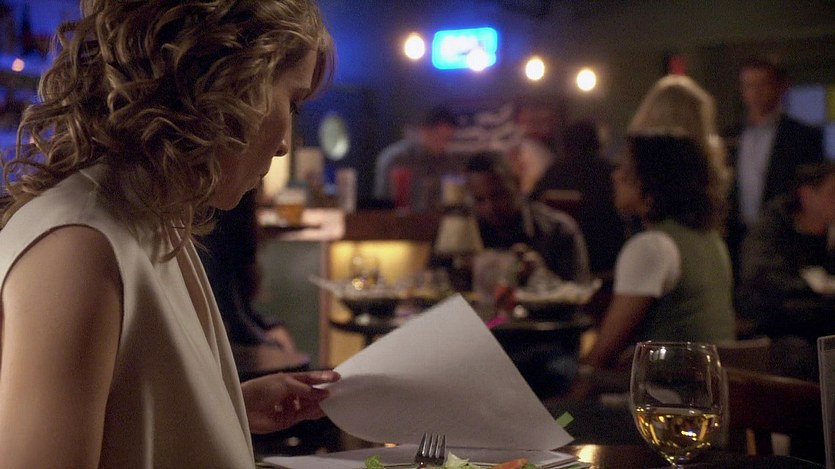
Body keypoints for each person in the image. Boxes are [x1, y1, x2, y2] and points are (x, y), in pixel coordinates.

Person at [0, 1, 340, 467]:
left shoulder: (149, 217)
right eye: (293, 100)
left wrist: (229, 408)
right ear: (226, 83)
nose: (284, 144)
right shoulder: (79, 246)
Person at [579, 135, 736, 375]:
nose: (615, 176)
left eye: (625, 170)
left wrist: (573, 390)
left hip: (666, 390)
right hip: (716, 386)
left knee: (556, 387)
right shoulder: (711, 239)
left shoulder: (652, 247)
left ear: (652, 182)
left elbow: (601, 356)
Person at [725, 57, 825, 274]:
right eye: (749, 86)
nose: (756, 93)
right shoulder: (731, 136)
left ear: (781, 87)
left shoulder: (802, 136)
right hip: (738, 236)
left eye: (763, 85)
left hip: (785, 237)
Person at [736, 161, 835, 379]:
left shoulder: (828, 234)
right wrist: (815, 289)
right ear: (806, 195)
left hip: (817, 324)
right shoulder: (772, 229)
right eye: (832, 194)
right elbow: (762, 286)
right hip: (774, 332)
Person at [465, 151, 590, 283]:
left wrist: (541, 275)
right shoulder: (468, 234)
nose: (490, 207)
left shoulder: (558, 230)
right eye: (479, 200)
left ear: (517, 184)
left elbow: (579, 289)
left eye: (498, 196)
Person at [199, 189, 297, 352]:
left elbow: (240, 308)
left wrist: (272, 325)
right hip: (224, 349)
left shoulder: (234, 218)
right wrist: (273, 346)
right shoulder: (215, 223)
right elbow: (231, 318)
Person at [531, 120, 626, 273]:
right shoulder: (611, 173)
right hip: (609, 259)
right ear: (597, 143)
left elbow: (533, 206)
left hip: (564, 261)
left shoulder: (554, 173)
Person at [372, 105, 460, 211]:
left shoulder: (448, 163)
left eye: (448, 139)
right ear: (424, 131)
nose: (444, 144)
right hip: (399, 219)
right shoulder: (396, 158)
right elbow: (383, 202)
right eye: (441, 137)